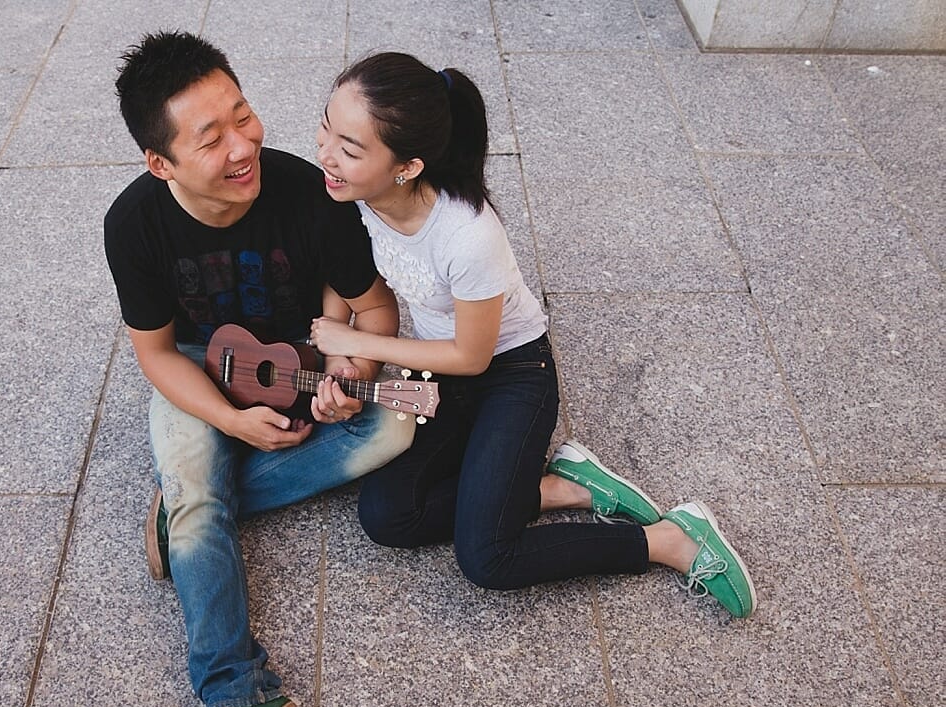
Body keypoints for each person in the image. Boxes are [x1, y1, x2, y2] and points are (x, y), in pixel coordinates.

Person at [310, 52, 756, 618]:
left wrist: (357, 344)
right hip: (435, 370)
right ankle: (566, 488)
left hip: (511, 373)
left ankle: (670, 540)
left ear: (407, 167)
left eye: (349, 149)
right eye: (327, 125)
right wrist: (342, 356)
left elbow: (472, 357)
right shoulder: (352, 195)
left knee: (488, 556)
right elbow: (344, 278)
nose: (326, 154)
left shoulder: (466, 234)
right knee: (386, 517)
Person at [104, 33, 414, 707]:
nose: (245, 145)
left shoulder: (310, 193)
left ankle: (185, 506)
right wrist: (231, 423)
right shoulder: (133, 224)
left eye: (243, 115)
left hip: (301, 361)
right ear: (161, 163)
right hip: (200, 371)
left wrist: (357, 375)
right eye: (211, 139)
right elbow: (156, 355)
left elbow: (376, 310)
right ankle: (238, 694)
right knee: (204, 498)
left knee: (401, 425)